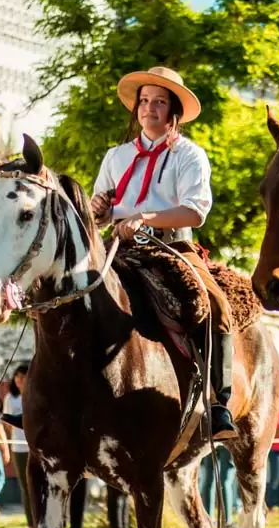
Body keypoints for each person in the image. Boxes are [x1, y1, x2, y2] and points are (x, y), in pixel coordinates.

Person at [88, 66, 236, 440]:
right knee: (68, 295)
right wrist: (99, 208)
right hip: (118, 247)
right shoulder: (115, 156)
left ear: (173, 113)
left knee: (216, 307)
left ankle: (220, 402)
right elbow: (100, 213)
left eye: (159, 102)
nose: (149, 108)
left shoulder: (190, 155)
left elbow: (196, 211)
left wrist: (146, 217)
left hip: (172, 246)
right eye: (144, 101)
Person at [1, 364, 33, 528]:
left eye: (23, 375)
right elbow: (6, 423)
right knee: (26, 487)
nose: (20, 379)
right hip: (19, 447)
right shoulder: (10, 399)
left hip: (36, 447)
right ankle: (31, 525)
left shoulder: (35, 393)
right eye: (17, 376)